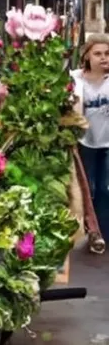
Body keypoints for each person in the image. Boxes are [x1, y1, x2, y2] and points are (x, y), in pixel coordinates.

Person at [72, 34, 109, 251]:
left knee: (105, 188)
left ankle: (102, 232)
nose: (103, 58)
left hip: (107, 143)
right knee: (90, 189)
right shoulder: (76, 79)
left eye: (107, 54)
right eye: (98, 54)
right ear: (87, 56)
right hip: (85, 142)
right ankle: (91, 230)